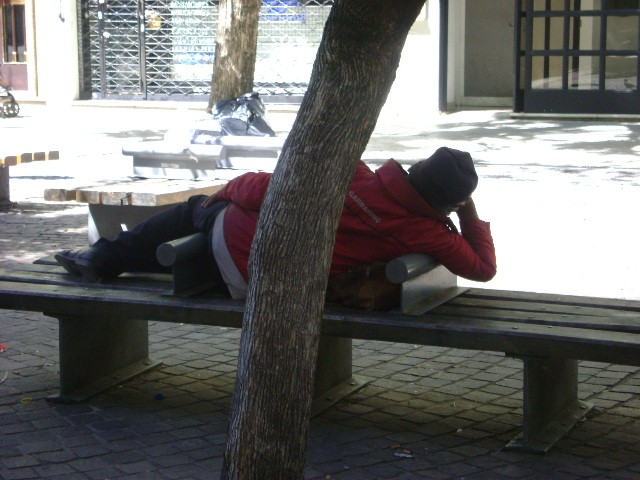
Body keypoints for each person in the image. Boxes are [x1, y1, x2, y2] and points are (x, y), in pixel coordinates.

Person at [55, 147, 497, 299]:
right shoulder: (423, 232)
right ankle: (109, 259)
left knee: (195, 210)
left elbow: (262, 189)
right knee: (190, 246)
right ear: (449, 202)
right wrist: (469, 214)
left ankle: (103, 256)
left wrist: (225, 191)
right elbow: (483, 268)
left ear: (414, 168)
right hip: (271, 282)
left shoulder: (354, 174)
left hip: (236, 247)